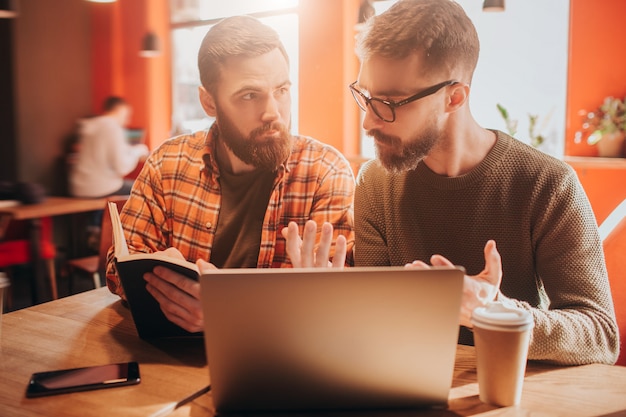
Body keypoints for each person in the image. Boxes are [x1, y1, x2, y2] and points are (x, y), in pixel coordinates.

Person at [283, 0, 619, 365]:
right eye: (366, 97)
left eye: (390, 102)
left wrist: (497, 312)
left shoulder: (549, 185)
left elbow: (600, 335)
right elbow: (380, 325)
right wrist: (327, 304)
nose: (369, 123)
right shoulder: (375, 183)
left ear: (454, 97)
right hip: (403, 386)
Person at [105, 16, 355, 334]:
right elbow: (118, 267)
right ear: (209, 102)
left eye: (281, 90)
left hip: (275, 361)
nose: (273, 112)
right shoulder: (167, 163)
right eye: (249, 95)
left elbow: (335, 293)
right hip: (172, 358)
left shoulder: (324, 171)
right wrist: (158, 279)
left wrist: (229, 312)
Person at [69, 96, 149, 198]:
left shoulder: (93, 125)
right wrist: (139, 151)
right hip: (100, 188)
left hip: (79, 187)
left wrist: (133, 150)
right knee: (145, 189)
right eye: (127, 116)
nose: (127, 121)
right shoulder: (112, 127)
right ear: (120, 110)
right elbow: (122, 167)